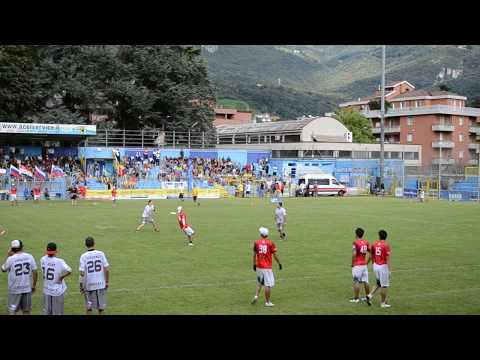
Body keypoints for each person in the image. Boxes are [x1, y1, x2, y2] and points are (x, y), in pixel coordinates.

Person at [1, 240, 38, 315]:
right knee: (26, 311)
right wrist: (33, 285)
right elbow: (35, 272)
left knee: (12, 310)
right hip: (27, 288)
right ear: (22, 247)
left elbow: (3, 269)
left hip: (14, 289)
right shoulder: (29, 256)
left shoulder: (11, 259)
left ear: (12, 249)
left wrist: (8, 255)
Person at [251, 227, 282, 307]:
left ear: (261, 234)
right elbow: (275, 255)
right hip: (267, 267)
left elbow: (254, 255)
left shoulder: (256, 243)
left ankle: (256, 296)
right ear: (267, 235)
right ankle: (267, 302)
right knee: (267, 285)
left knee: (259, 282)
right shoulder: (270, 243)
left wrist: (254, 264)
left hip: (259, 266)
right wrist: (279, 263)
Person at [79, 237, 110, 315]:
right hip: (101, 284)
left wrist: (81, 286)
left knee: (89, 308)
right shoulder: (101, 253)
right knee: (101, 309)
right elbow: (107, 269)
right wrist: (106, 282)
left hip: (89, 285)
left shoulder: (83, 256)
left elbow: (82, 273)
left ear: (85, 245)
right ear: (94, 243)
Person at [40, 243, 72, 315]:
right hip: (57, 291)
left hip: (46, 289)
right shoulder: (59, 261)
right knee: (57, 312)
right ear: (56, 251)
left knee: (47, 311)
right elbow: (69, 270)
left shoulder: (42, 259)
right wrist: (61, 277)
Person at [367, 230, 392, 308]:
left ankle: (370, 295)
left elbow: (371, 255)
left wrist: (373, 264)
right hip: (383, 267)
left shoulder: (374, 244)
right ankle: (383, 303)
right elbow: (387, 259)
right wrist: (390, 270)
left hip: (376, 265)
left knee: (378, 283)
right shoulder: (386, 245)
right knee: (384, 286)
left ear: (379, 236)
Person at [350, 228, 371, 305]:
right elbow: (371, 254)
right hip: (364, 265)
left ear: (356, 234)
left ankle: (356, 299)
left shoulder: (355, 242)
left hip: (357, 265)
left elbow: (354, 254)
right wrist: (367, 262)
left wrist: (352, 263)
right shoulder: (366, 242)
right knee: (366, 281)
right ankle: (367, 296)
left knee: (356, 281)